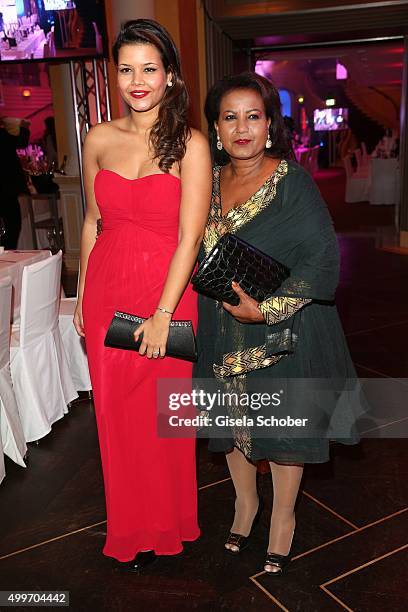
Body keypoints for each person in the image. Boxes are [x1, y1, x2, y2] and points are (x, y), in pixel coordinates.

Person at [194, 72, 361, 575]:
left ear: (269, 125)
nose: (241, 128)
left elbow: (321, 259)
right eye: (230, 117)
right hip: (221, 324)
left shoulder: (293, 181)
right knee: (232, 422)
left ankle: (283, 517)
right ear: (216, 128)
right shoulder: (204, 180)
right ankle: (245, 506)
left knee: (282, 425)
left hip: (280, 330)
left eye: (253, 116)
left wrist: (265, 309)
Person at [74, 19, 211, 571]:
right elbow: (90, 222)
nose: (137, 80)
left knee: (163, 420)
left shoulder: (191, 144)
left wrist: (161, 315)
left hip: (167, 295)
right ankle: (129, 528)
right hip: (107, 289)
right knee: (115, 420)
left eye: (149, 69)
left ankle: (169, 523)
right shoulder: (98, 138)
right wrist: (83, 290)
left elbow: (190, 237)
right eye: (126, 68)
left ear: (170, 76)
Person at [0, 116, 30, 249]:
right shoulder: (2, 135)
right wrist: (23, 127)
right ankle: (7, 253)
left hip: (6, 187)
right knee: (13, 224)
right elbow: (21, 142)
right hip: (6, 187)